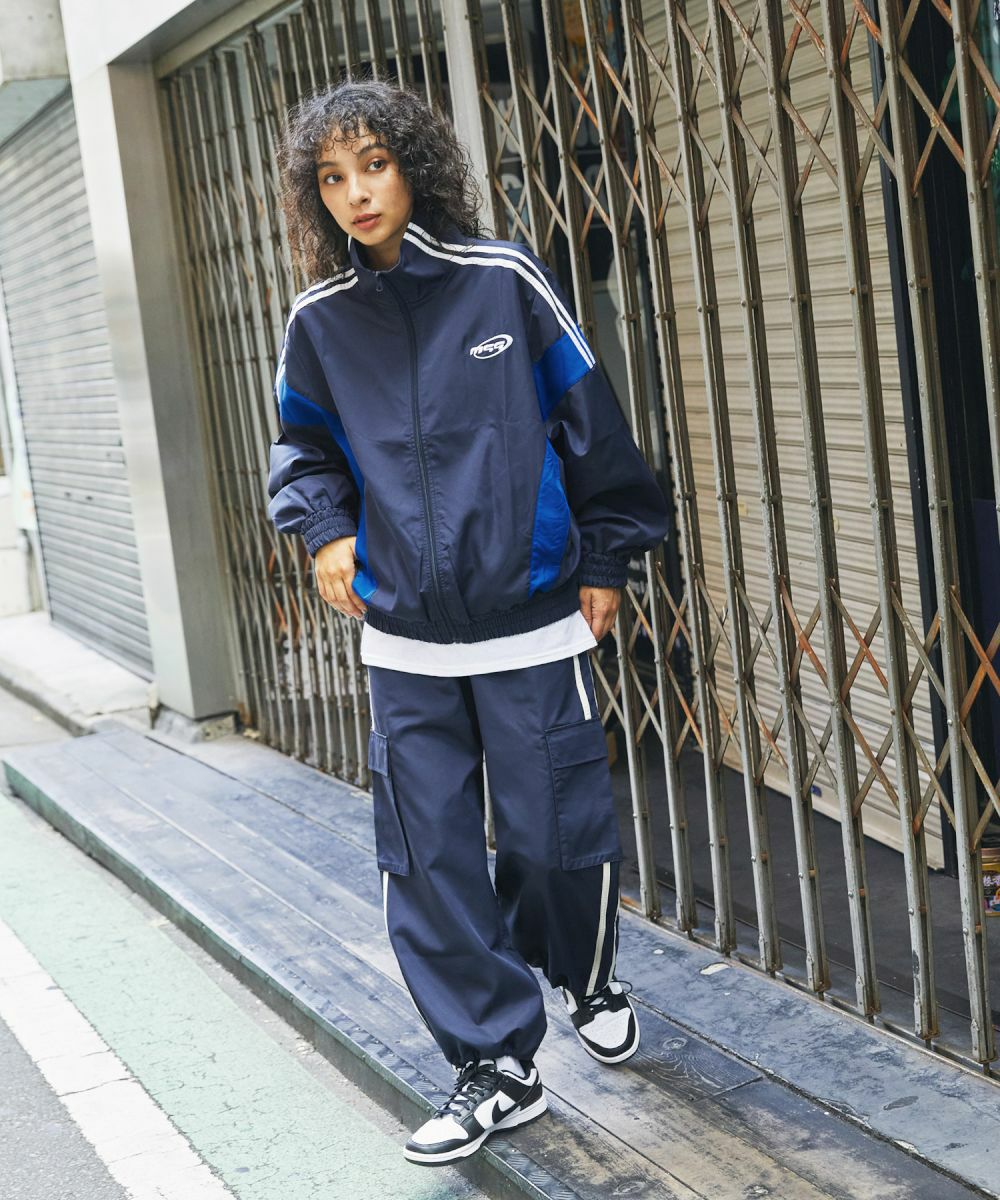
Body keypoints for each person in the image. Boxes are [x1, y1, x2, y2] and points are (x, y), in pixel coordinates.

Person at [267, 78, 670, 1166]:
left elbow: (590, 423)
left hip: (530, 617)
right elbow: (301, 449)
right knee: (428, 855)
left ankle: (582, 974)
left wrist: (605, 554)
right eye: (332, 178)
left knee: (552, 834)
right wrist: (325, 530)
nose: (357, 193)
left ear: (414, 164)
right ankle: (496, 1061)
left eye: (374, 165)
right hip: (404, 637)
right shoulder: (319, 322)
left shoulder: (503, 281)